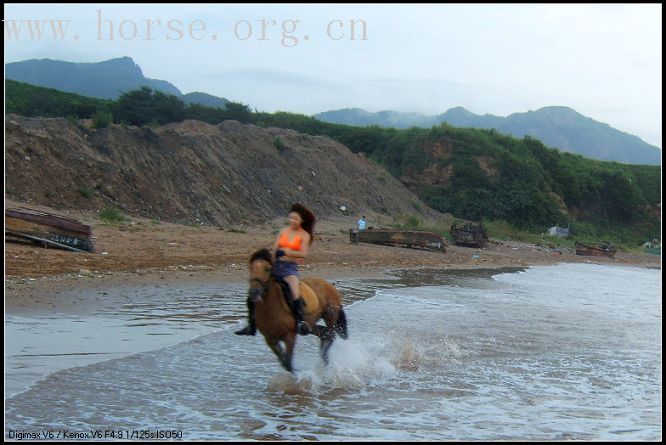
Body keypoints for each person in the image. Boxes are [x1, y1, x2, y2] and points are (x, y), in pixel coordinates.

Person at [235, 203, 316, 336]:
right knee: (255, 291)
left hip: (289, 268)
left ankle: (301, 322)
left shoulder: (304, 235)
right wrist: (271, 254)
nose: (293, 221)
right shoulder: (284, 231)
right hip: (276, 266)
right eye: (291, 218)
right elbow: (275, 247)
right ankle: (252, 325)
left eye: (296, 219)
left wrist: (285, 252)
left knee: (295, 293)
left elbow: (303, 253)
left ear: (301, 220)